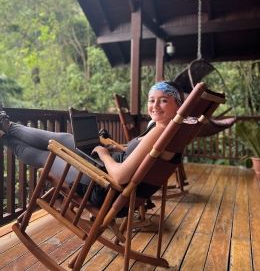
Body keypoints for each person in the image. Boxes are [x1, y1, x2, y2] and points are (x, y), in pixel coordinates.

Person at [0, 81, 183, 205]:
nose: (155, 105)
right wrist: (117, 148)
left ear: (178, 104)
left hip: (102, 186)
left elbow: (120, 177)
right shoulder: (168, 130)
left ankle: (5, 132)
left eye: (164, 100)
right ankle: (6, 126)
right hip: (104, 170)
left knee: (47, 155)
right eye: (152, 100)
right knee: (63, 138)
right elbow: (141, 155)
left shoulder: (161, 131)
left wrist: (104, 155)